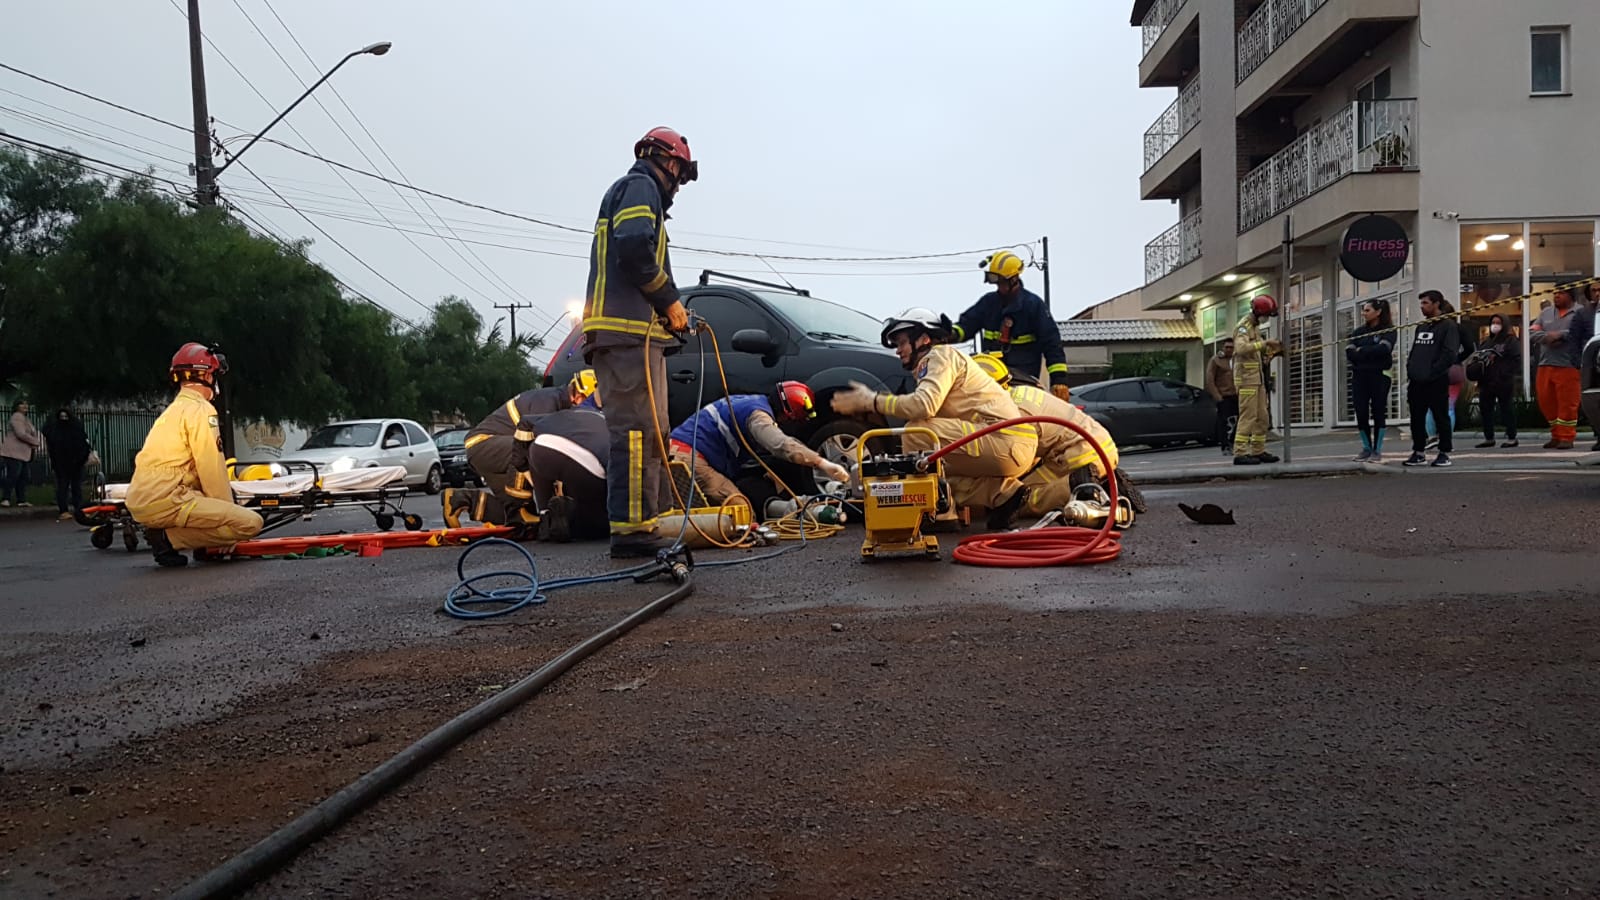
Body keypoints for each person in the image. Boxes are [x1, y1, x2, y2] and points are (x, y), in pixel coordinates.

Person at [581, 126, 696, 558]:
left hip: (638, 338)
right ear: (669, 164)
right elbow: (633, 248)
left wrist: (668, 318)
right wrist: (669, 301)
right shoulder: (638, 187)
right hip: (624, 338)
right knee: (633, 432)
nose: (679, 186)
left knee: (652, 432)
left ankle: (647, 523)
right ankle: (630, 533)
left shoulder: (639, 193)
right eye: (681, 176)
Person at [830, 308, 1037, 526]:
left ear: (923, 338)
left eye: (901, 343)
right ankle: (1005, 495)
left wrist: (873, 401)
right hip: (1008, 444)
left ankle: (935, 512)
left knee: (917, 433)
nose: (898, 351)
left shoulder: (940, 356)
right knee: (935, 469)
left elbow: (924, 405)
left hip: (1004, 439)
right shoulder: (935, 365)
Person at [124, 343, 263, 566]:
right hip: (169, 499)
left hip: (144, 498)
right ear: (208, 375)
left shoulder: (174, 410)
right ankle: (166, 539)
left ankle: (182, 540)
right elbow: (211, 467)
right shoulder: (201, 410)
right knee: (250, 523)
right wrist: (231, 520)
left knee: (212, 510)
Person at [970, 353, 1147, 517]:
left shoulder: (1006, 413)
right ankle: (1104, 483)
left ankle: (1077, 487)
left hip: (1078, 455)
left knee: (1020, 496)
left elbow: (1019, 457)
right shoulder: (1025, 392)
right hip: (1102, 447)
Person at [668, 382, 850, 509]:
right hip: (689, 458)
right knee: (740, 511)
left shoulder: (752, 402)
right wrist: (822, 463)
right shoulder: (758, 416)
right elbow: (781, 445)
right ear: (787, 414)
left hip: (681, 451)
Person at [949, 250, 1071, 400]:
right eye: (996, 282)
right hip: (993, 379)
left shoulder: (1033, 306)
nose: (999, 287)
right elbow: (966, 326)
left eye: (1002, 282)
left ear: (1014, 279)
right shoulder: (988, 303)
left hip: (1024, 382)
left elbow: (1051, 343)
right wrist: (949, 333)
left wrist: (1059, 380)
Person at [463, 370, 597, 499]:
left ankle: (460, 500)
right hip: (482, 443)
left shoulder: (557, 402)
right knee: (534, 449)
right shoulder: (547, 402)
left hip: (492, 451)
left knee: (518, 514)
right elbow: (542, 448)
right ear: (579, 396)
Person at [1528, 284, 1592, 450]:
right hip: (1545, 364)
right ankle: (1556, 435)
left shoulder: (1581, 312)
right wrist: (1547, 337)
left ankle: (1567, 437)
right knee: (1546, 402)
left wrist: (1561, 335)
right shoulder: (1546, 313)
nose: (1556, 296)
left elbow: (1584, 333)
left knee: (1568, 403)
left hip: (1569, 365)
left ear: (1571, 296)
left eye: (1561, 293)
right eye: (1555, 293)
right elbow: (1532, 332)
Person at [1402, 291, 1460, 467]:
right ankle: (1419, 452)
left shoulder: (1448, 326)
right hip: (1417, 381)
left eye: (1425, 303)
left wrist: (1433, 372)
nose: (1422, 307)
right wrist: (1411, 370)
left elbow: (1449, 354)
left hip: (1436, 380)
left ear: (1437, 304)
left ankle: (1444, 452)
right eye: (1421, 303)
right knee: (1417, 418)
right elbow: (1415, 351)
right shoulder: (1422, 327)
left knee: (1440, 416)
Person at [1231, 295, 1284, 465]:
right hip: (1247, 380)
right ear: (1259, 312)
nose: (1267, 318)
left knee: (1262, 417)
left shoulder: (1255, 327)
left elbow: (1254, 353)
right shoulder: (1244, 327)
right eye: (1266, 315)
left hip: (1257, 379)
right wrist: (1265, 343)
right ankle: (1240, 452)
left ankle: (1258, 450)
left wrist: (1270, 353)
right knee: (1248, 416)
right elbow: (1240, 348)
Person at [1345, 298, 1395, 462]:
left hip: (1380, 374)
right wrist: (1365, 352)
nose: (1363, 313)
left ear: (1378, 312)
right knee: (1360, 410)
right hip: (1360, 375)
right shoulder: (1359, 331)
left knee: (1378, 409)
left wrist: (1362, 351)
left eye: (1367, 310)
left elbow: (1383, 349)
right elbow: (1349, 351)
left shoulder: (1388, 330)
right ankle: (1366, 447)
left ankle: (1377, 449)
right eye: (1363, 310)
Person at [1424, 298, 1475, 449]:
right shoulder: (1459, 328)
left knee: (1431, 406)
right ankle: (1446, 438)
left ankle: (1432, 437)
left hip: (1436, 370)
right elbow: (1469, 348)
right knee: (1450, 407)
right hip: (1455, 369)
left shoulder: (1433, 328)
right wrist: (1457, 358)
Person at [1469, 313, 1521, 449]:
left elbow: (1516, 360)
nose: (1495, 325)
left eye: (1498, 322)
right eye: (1493, 322)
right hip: (1486, 381)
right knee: (1486, 410)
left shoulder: (1510, 341)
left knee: (1506, 409)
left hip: (1503, 381)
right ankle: (1489, 438)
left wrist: (1504, 373)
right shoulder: (1486, 342)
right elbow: (1478, 357)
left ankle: (1511, 437)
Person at [42, 407, 91, 520]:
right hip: (62, 464)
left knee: (76, 487)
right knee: (63, 487)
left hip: (76, 463)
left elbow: (83, 444)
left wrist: (81, 459)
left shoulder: (75, 429)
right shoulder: (55, 431)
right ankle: (63, 510)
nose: (64, 419)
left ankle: (78, 509)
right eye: (61, 417)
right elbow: (53, 448)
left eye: (66, 417)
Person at [1, 400, 41, 508]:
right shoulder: (17, 417)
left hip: (23, 454)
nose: (25, 406)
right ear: (16, 406)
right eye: (22, 404)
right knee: (13, 475)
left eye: (26, 404)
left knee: (23, 477)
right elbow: (21, 434)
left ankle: (21, 499)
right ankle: (6, 498)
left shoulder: (25, 419)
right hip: (14, 452)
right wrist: (35, 441)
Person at [1205, 338, 1239, 456]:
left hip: (1238, 395)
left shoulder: (1237, 359)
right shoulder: (1216, 360)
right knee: (1223, 421)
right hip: (1224, 396)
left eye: (1231, 347)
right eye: (1227, 347)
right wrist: (1217, 396)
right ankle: (1225, 446)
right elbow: (1210, 379)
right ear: (1223, 348)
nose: (1229, 349)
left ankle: (1233, 442)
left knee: (1242, 419)